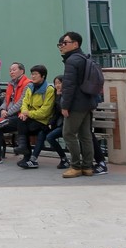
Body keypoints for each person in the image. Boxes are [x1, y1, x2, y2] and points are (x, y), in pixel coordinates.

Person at [59, 31, 97, 178]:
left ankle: (75, 166)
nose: (62, 45)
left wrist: (65, 106)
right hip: (88, 102)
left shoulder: (72, 61)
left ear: (75, 44)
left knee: (68, 134)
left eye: (65, 42)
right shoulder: (84, 57)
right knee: (85, 135)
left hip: (76, 104)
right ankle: (87, 167)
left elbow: (68, 86)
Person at [0, 62, 29, 164]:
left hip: (18, 117)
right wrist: (2, 109)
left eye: (14, 70)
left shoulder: (27, 84)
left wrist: (7, 113)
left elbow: (21, 102)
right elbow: (6, 101)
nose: (11, 72)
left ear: (22, 71)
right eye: (10, 70)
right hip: (6, 115)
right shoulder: (11, 83)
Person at [16, 65, 55, 169]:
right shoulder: (30, 87)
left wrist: (28, 114)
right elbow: (24, 102)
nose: (33, 76)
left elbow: (45, 111)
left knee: (23, 126)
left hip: (43, 121)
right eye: (32, 74)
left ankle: (27, 154)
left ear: (43, 76)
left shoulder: (49, 90)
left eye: (35, 74)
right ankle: (24, 150)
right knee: (19, 120)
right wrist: (24, 113)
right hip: (30, 118)